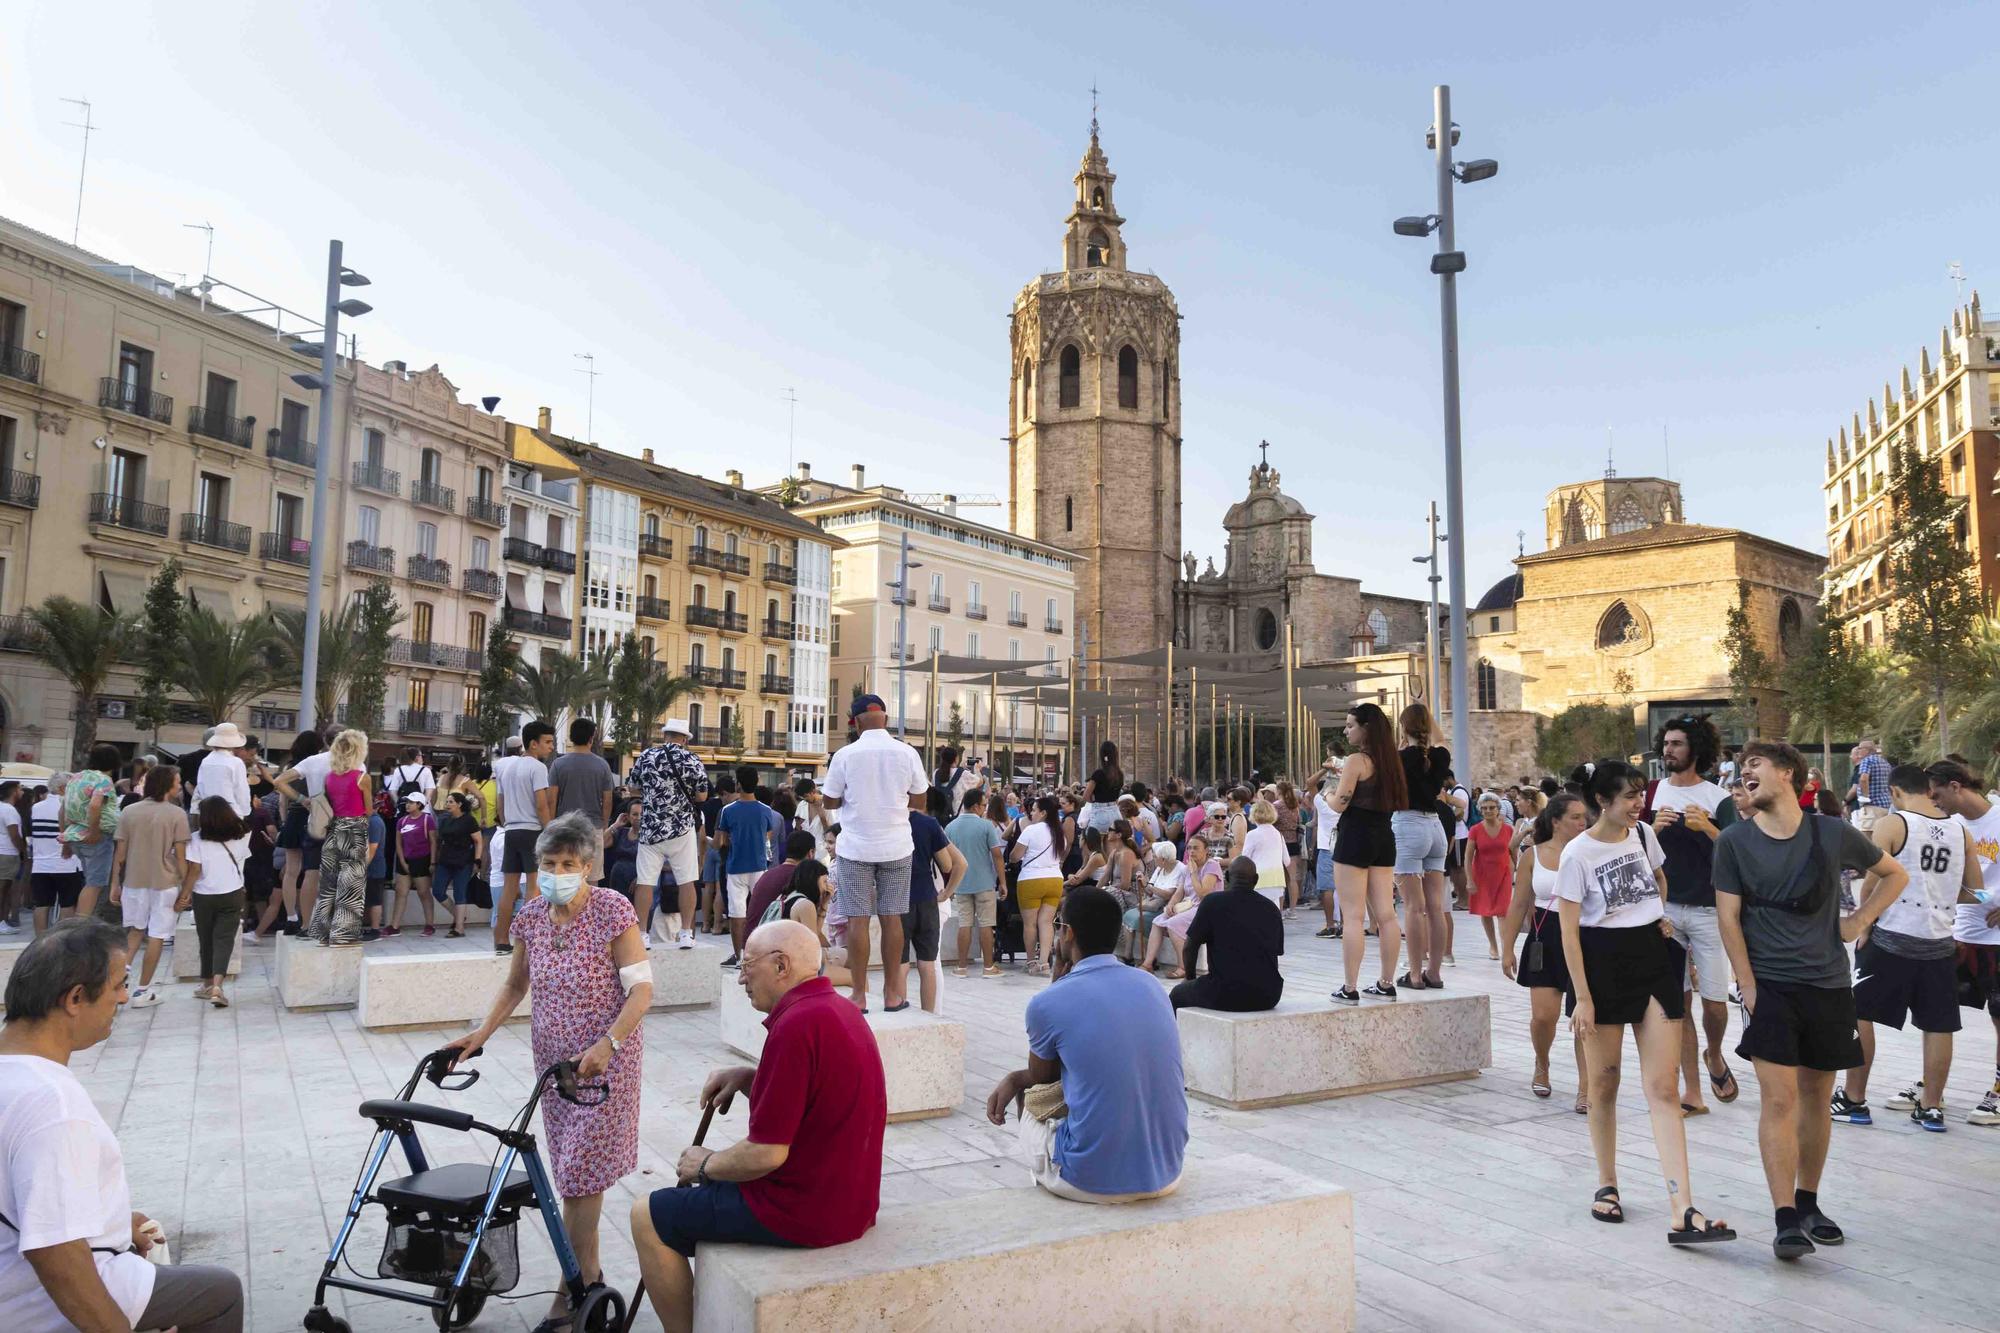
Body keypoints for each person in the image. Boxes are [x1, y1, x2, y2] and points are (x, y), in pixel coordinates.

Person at [445, 812, 650, 1330]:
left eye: (568, 863)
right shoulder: (531, 916)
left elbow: (642, 990)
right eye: (549, 863)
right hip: (553, 1068)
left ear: (586, 867)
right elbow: (516, 986)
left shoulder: (612, 910)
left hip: (606, 1066)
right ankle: (590, 1273)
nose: (558, 871)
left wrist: (609, 1042)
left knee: (581, 1176)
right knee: (572, 1176)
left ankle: (569, 1291)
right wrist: (480, 1034)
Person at [632, 920, 882, 1333]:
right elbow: (813, 1099)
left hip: (806, 1211)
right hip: (852, 1201)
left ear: (781, 965)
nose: (742, 977)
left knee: (648, 1215)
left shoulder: (797, 1025)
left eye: (748, 965)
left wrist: (706, 1163)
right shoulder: (836, 1009)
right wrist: (750, 1078)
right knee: (704, 1193)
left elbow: (765, 1154)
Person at [0, 918, 246, 1331]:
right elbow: (55, 1252)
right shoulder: (52, 1104)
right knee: (219, 1294)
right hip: (29, 1300)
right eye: (118, 985)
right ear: (76, 998)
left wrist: (108, 1219)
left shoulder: (17, 1075)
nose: (125, 997)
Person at [1715, 740, 1906, 1261]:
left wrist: (1859, 921)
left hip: (1828, 984)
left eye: (1754, 766)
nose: (1744, 774)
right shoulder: (1733, 841)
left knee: (1818, 1099)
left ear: (1788, 775)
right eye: (1741, 769)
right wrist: (1747, 984)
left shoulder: (1831, 831)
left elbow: (1895, 874)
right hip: (1771, 986)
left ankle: (1808, 1202)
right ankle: (1784, 1219)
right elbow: (1728, 918)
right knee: (1779, 1100)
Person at [1559, 759, 1733, 1246]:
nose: (1640, 803)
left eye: (1641, 793)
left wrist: (1657, 915)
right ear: (1602, 801)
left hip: (1653, 960)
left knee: (1663, 1086)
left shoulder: (1642, 836)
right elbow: (1569, 931)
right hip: (1600, 965)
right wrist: (1583, 998)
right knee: (1605, 1083)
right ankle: (1607, 1183)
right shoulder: (1577, 854)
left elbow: (1659, 881)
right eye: (1630, 796)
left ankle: (1683, 1208)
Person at [986, 885, 1186, 1202]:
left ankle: (1047, 1182)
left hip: (1091, 1179)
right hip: (1168, 1168)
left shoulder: (1048, 1002)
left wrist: (1013, 1080)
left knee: (1031, 1096)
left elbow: (1042, 1078)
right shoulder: (1151, 984)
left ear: (1067, 933)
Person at [1831, 764, 1980, 1132]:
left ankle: (1853, 1099)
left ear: (1896, 792)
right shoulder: (1961, 832)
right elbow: (1976, 893)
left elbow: (1872, 880)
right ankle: (1931, 1108)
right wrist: (1940, 893)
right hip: (1939, 943)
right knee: (1939, 1025)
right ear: (1928, 790)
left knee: (1859, 1015)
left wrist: (1863, 923)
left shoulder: (1894, 824)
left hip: (1891, 938)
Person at [1638, 714, 1743, 1117]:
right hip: (1663, 910)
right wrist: (1651, 829)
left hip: (1709, 911)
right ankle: (1693, 1093)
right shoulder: (1650, 793)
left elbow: (1739, 855)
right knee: (1676, 1003)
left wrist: (1712, 830)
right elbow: (1631, 850)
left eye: (1677, 743)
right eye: (1666, 743)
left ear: (1695, 749)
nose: (1668, 750)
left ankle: (1713, 1054)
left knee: (1715, 1003)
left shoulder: (1719, 799)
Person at [1898, 760, 2000, 1127]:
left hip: (1996, 940)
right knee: (1937, 1016)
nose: (1934, 802)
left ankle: (1999, 1092)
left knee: (1999, 1016)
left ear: (1956, 786)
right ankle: (1932, 1088)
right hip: (1957, 935)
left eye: (1937, 793)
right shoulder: (1952, 827)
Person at [821, 695, 927, 1009]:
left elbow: (828, 801)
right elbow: (920, 800)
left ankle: (858, 994)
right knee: (893, 918)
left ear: (854, 723)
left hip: (855, 847)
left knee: (857, 920)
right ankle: (892, 994)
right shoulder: (906, 752)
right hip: (896, 846)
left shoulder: (845, 754)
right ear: (886, 716)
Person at [1501, 793, 1592, 1111]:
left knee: (1584, 1016)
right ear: (1555, 821)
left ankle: (1586, 1087)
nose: (1583, 823)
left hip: (1586, 935)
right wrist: (1507, 948)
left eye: (1585, 817)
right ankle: (1542, 1062)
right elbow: (1518, 904)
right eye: (1576, 817)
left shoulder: (1591, 853)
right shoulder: (1532, 855)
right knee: (1543, 1017)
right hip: (1546, 935)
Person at [1329, 703, 1404, 1003]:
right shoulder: (1391, 762)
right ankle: (1387, 982)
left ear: (1365, 728)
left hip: (1355, 837)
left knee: (1353, 916)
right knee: (1386, 914)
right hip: (1384, 837)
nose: (1346, 731)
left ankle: (1349, 987)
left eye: (1350, 725)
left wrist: (1326, 794)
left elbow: (1341, 802)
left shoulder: (1356, 760)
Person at [108, 766, 189, 1009]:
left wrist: (115, 883)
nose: (179, 785)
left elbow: (119, 853)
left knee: (134, 933)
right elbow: (182, 857)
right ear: (168, 785)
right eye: (177, 781)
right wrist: (186, 888)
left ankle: (118, 985)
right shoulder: (176, 814)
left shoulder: (129, 811)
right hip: (165, 882)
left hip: (133, 881)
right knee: (157, 936)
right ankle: (142, 990)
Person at [630, 719, 711, 949]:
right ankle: (686, 933)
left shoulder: (646, 756)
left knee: (645, 882)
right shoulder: (691, 759)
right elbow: (702, 796)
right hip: (681, 829)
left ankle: (642, 935)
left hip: (650, 829)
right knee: (686, 880)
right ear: (684, 739)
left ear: (666, 735)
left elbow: (633, 788)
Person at [1172, 855, 1283, 1013]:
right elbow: (1275, 953)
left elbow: (1189, 946)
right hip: (1269, 994)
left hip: (1226, 993)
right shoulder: (1271, 909)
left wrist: (1189, 978)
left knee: (1177, 994)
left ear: (1228, 877)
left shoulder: (1212, 902)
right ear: (1256, 879)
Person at [1392, 705, 1454, 990]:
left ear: (1404, 728)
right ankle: (1435, 972)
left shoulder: (1400, 758)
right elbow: (1440, 741)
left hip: (1408, 825)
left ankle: (1415, 974)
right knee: (1436, 907)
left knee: (1413, 908)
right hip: (1435, 827)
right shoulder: (1440, 755)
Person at [294, 729, 373, 948]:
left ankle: (321, 932)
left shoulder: (330, 778)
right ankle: (343, 934)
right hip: (354, 828)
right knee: (350, 883)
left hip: (333, 828)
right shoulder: (362, 778)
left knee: (328, 883)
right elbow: (368, 809)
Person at [889, 786, 962, 1014]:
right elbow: (948, 865)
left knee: (900, 963)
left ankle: (898, 1007)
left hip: (896, 899)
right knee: (927, 962)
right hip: (927, 898)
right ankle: (929, 1013)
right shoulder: (928, 824)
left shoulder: (889, 824)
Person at [175, 796, 249, 1008]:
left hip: (204, 896)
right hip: (233, 892)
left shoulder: (197, 839)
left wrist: (184, 895)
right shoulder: (241, 836)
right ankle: (217, 986)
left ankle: (207, 984)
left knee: (206, 939)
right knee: (224, 940)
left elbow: (194, 871)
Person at [492, 721, 557, 955]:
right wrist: (550, 830)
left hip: (511, 830)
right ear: (533, 743)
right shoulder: (538, 768)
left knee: (509, 887)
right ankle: (531, 939)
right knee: (533, 886)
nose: (551, 747)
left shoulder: (506, 767)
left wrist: (507, 822)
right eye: (547, 742)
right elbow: (542, 805)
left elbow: (500, 802)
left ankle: (501, 939)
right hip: (532, 832)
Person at [256, 731, 327, 940]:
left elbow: (281, 801)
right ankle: (311, 918)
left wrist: (286, 822)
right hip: (314, 817)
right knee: (314, 871)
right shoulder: (316, 765)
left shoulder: (290, 767)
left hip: (294, 819)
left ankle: (291, 917)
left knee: (291, 872)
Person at [715, 766, 773, 968]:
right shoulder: (766, 810)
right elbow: (768, 836)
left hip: (735, 866)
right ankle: (760, 953)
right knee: (760, 911)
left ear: (738, 784)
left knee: (736, 913)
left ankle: (739, 956)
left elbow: (721, 841)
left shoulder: (727, 811)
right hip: (759, 865)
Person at [946, 787, 1006, 978]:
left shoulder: (951, 827)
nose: (985, 808)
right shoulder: (986, 826)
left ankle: (961, 967)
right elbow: (997, 855)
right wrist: (1002, 882)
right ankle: (988, 967)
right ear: (975, 806)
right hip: (985, 883)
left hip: (962, 883)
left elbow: (947, 859)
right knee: (986, 924)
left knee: (964, 924)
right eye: (983, 805)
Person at [549, 717, 615, 884]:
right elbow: (607, 800)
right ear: (591, 738)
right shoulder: (602, 765)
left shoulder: (558, 764)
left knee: (565, 875)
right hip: (593, 826)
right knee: (592, 878)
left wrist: (551, 824)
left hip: (565, 826)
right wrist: (604, 823)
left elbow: (552, 798)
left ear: (571, 737)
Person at [60, 746, 120, 924]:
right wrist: (94, 832)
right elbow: (95, 806)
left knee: (89, 879)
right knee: (95, 883)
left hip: (75, 834)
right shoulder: (104, 780)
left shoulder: (76, 777)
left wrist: (65, 840)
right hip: (97, 836)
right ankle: (81, 925)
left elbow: (63, 809)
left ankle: (84, 921)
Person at [1011, 796, 1069, 976]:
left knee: (1030, 924)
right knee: (1046, 922)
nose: (1032, 813)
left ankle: (1031, 961)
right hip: (1054, 880)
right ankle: (1044, 963)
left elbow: (1015, 856)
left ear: (1043, 813)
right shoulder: (1059, 834)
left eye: (1035, 810)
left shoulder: (1031, 830)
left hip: (1031, 879)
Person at [28, 779, 81, 938]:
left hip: (40, 864)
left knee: (42, 905)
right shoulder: (70, 806)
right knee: (67, 904)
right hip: (66, 864)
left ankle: (40, 941)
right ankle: (62, 940)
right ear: (63, 787)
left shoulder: (36, 807)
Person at [1465, 793, 1515, 960]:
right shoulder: (1475, 830)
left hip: (1503, 874)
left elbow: (1513, 852)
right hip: (1482, 875)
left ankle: (1505, 946)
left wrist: (1519, 872)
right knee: (1485, 912)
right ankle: (1493, 946)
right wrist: (1470, 880)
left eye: (1492, 808)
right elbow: (1468, 857)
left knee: (1503, 912)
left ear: (1498, 809)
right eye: (1484, 808)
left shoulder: (1508, 829)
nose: (1488, 811)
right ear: (1480, 810)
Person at [1135, 840, 1195, 972]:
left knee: (1172, 924)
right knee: (1157, 922)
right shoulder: (1160, 869)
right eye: (1190, 848)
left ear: (1163, 859)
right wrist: (1145, 885)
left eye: (1155, 857)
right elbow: (1178, 891)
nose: (1191, 852)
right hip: (1168, 904)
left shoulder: (1184, 868)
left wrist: (1151, 887)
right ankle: (1147, 963)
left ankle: (1182, 967)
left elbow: (1170, 894)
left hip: (1191, 905)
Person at [430, 791, 482, 939]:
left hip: (463, 861)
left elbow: (478, 841)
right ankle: (459, 916)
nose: (447, 804)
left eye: (451, 802)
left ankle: (459, 928)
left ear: (459, 804)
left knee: (460, 892)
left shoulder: (469, 820)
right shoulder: (445, 820)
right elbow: (440, 840)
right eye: (447, 802)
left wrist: (478, 860)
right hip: (445, 860)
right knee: (438, 891)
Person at [386, 791, 437, 938]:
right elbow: (398, 843)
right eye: (407, 802)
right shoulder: (402, 821)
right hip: (405, 860)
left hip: (422, 859)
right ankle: (395, 926)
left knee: (424, 893)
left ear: (419, 805)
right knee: (400, 892)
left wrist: (432, 862)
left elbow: (433, 841)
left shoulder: (427, 820)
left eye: (411, 802)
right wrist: (402, 861)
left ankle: (429, 924)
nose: (408, 805)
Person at [192, 723, 255, 819]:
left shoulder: (206, 761)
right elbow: (241, 791)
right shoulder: (236, 762)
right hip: (230, 813)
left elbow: (200, 788)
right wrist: (245, 812)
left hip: (207, 813)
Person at [1241, 800, 1291, 910]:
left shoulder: (1252, 834)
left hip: (1258, 880)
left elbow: (1244, 859)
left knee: (1257, 914)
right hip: (1277, 880)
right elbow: (1287, 861)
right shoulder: (1278, 834)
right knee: (1274, 913)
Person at [1080, 741, 1123, 835]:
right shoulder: (1119, 774)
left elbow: (1085, 796)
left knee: (1091, 843)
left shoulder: (1098, 773)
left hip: (1100, 812)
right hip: (1115, 812)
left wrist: (1094, 800)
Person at [0, 780, 22, 935]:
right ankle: (1, 922)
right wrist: (23, 851)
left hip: (4, 852)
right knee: (3, 889)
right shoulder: (9, 810)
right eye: (20, 789)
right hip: (7, 853)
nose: (21, 792)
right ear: (14, 791)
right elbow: (14, 834)